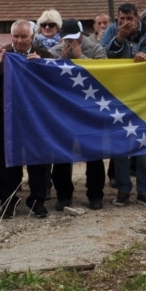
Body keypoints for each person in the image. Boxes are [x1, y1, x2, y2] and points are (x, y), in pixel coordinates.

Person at [100, 3, 146, 208]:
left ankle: (145, 191)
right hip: (117, 97)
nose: (125, 22)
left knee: (144, 146)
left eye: (129, 19)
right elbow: (101, 57)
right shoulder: (111, 32)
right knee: (120, 147)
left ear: (138, 18)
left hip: (144, 99)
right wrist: (119, 37)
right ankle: (123, 190)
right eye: (122, 19)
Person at [0, 20, 53, 219]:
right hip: (8, 116)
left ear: (32, 37)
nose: (19, 40)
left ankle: (38, 200)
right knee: (5, 158)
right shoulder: (2, 53)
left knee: (39, 158)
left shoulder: (44, 55)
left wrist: (41, 68)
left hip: (37, 118)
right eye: (16, 36)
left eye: (24, 36)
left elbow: (54, 87)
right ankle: (8, 201)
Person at [47, 18, 109, 210]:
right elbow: (46, 78)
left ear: (82, 34)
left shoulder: (96, 49)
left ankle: (95, 195)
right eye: (67, 38)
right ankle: (64, 195)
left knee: (94, 153)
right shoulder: (55, 51)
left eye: (74, 38)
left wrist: (81, 58)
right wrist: (61, 62)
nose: (70, 42)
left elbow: (106, 73)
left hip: (90, 109)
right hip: (64, 110)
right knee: (62, 154)